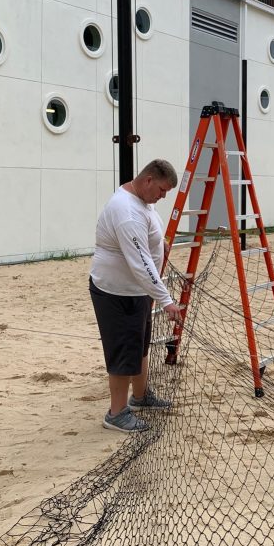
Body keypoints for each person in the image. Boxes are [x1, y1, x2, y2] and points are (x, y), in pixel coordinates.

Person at [89, 159, 184, 432]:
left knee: (140, 344)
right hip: (116, 291)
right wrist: (166, 301)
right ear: (148, 181)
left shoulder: (143, 201)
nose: (162, 197)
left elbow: (148, 230)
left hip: (137, 291)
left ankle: (141, 397)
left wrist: (160, 242)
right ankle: (116, 414)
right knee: (122, 352)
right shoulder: (126, 210)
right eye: (162, 190)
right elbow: (140, 263)